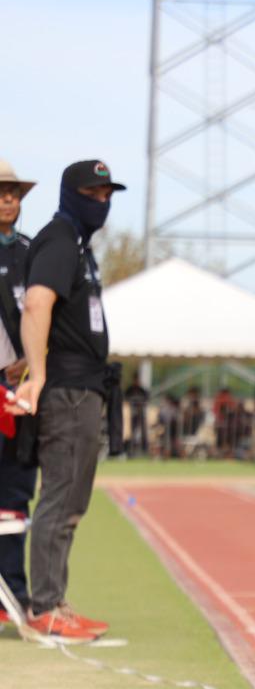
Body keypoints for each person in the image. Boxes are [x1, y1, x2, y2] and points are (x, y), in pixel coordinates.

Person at [9, 160, 126, 643]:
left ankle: (55, 601)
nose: (101, 202)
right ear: (70, 195)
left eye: (107, 194)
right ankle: (46, 608)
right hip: (68, 390)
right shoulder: (59, 237)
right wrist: (36, 373)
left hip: (84, 387)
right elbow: (36, 303)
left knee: (71, 498)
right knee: (61, 497)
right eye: (92, 193)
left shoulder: (77, 244)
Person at [0, 158, 37, 621]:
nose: (9, 199)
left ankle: (14, 594)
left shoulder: (33, 251)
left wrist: (30, 360)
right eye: (1, 191)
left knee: (16, 490)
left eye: (14, 192)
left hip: (25, 386)